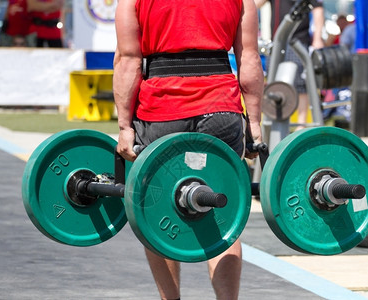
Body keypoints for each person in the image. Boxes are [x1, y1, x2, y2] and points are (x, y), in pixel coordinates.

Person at [113, 0, 264, 299]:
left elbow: (128, 59)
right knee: (224, 211)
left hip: (162, 112)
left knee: (156, 211)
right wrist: (255, 122)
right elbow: (249, 58)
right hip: (222, 110)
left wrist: (124, 127)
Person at [255, 0, 324, 130]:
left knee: (301, 85)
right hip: (277, 41)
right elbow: (256, 4)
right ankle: (272, 122)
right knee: (274, 83)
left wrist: (318, 38)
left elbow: (318, 9)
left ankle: (301, 124)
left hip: (297, 41)